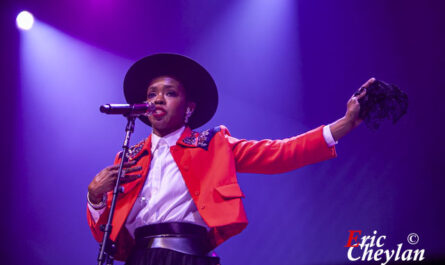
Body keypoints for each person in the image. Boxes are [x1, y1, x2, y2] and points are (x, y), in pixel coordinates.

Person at [87, 53, 374, 265]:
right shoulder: (130, 156)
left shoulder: (213, 144)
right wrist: (95, 198)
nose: (158, 99)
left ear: (189, 108)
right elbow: (107, 233)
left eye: (170, 93)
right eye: (152, 94)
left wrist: (344, 124)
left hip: (188, 256)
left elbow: (281, 153)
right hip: (139, 258)